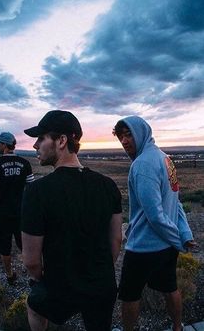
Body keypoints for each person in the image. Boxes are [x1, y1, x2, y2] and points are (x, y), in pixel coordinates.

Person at [21, 110, 123, 331]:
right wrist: (97, 272)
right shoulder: (108, 185)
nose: (35, 145)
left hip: (60, 286)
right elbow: (115, 241)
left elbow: (31, 261)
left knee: (35, 305)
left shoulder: (36, 192)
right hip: (101, 285)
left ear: (62, 141)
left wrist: (43, 281)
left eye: (41, 138)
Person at [113, 116, 196, 331]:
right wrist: (183, 235)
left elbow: (155, 215)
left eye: (129, 134)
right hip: (166, 246)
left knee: (129, 295)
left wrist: (178, 239)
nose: (124, 141)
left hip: (143, 246)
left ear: (142, 132)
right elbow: (175, 202)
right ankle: (178, 327)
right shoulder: (166, 159)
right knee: (170, 287)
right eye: (121, 136)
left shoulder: (142, 165)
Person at [0, 132, 34, 284]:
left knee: (4, 247)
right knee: (25, 246)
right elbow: (31, 190)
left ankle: (10, 275)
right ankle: (34, 275)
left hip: (2, 214)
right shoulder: (25, 163)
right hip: (22, 213)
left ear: (5, 145)